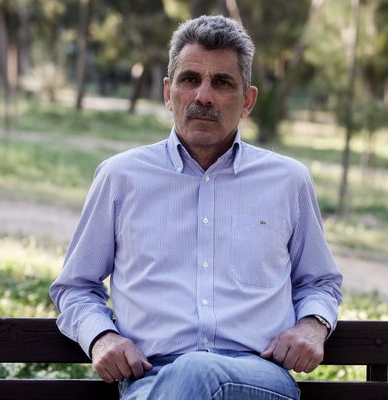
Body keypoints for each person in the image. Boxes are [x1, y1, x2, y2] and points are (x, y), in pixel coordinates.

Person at [50, 15, 342, 400]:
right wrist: (101, 337)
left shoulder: (288, 181)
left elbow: (320, 282)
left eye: (222, 83)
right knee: (187, 377)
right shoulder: (120, 177)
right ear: (168, 92)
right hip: (150, 381)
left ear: (247, 101)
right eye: (190, 79)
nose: (203, 96)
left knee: (197, 370)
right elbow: (76, 287)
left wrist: (312, 325)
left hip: (257, 378)